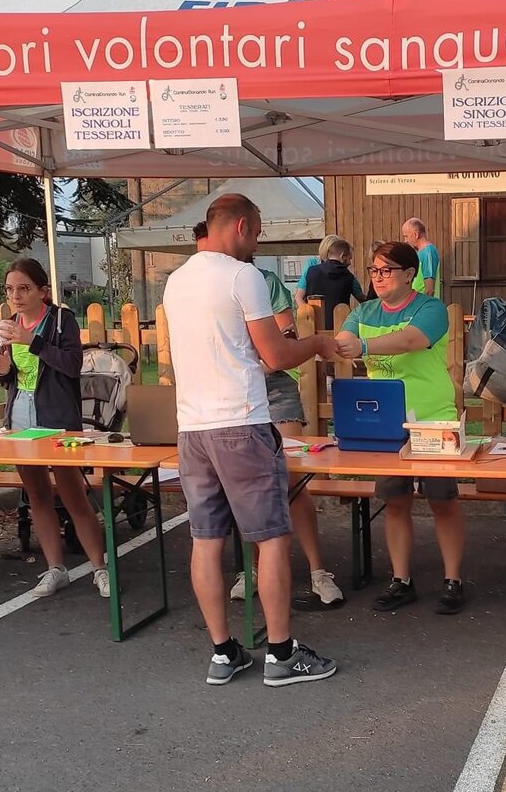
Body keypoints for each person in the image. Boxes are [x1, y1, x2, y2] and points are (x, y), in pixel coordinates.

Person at [162, 192, 340, 687]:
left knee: (205, 541)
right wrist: (319, 343)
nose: (257, 244)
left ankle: (223, 653)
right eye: (258, 233)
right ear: (240, 226)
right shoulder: (244, 277)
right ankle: (281, 654)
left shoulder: (176, 281)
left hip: (192, 428)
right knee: (271, 538)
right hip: (242, 423)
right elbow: (276, 355)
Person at [334, 240, 466, 614]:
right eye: (374, 270)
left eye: (386, 270)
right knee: (395, 501)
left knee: (442, 500)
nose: (378, 277)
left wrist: (362, 346)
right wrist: (337, 345)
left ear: (409, 274)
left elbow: (412, 340)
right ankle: (401, 580)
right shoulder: (364, 311)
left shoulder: (431, 308)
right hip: (386, 423)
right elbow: (343, 341)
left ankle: (453, 580)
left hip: (432, 417)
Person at [0, 259, 111, 599]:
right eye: (10, 289)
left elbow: (72, 365)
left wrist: (32, 341)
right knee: (37, 495)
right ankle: (56, 568)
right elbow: (14, 379)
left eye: (23, 288)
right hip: (20, 416)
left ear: (42, 291)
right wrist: (3, 369)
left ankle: (100, 568)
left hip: (56, 418)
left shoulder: (59, 320)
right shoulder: (10, 325)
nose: (15, 296)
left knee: (72, 494)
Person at [232, 258, 343, 608]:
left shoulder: (265, 281)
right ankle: (252, 569)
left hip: (273, 389)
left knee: (292, 479)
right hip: (233, 395)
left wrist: (251, 369)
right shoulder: (208, 283)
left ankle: (318, 571)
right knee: (248, 485)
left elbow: (286, 339)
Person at [302, 236, 365, 327]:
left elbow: (300, 296)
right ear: (342, 256)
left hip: (313, 325)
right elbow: (363, 301)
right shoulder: (349, 277)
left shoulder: (311, 271)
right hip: (340, 326)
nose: (350, 263)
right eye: (349, 259)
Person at [400, 217, 442, 298]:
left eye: (406, 236)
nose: (405, 241)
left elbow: (429, 289)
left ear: (416, 235)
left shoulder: (428, 252)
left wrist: (421, 304)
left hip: (423, 303)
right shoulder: (421, 252)